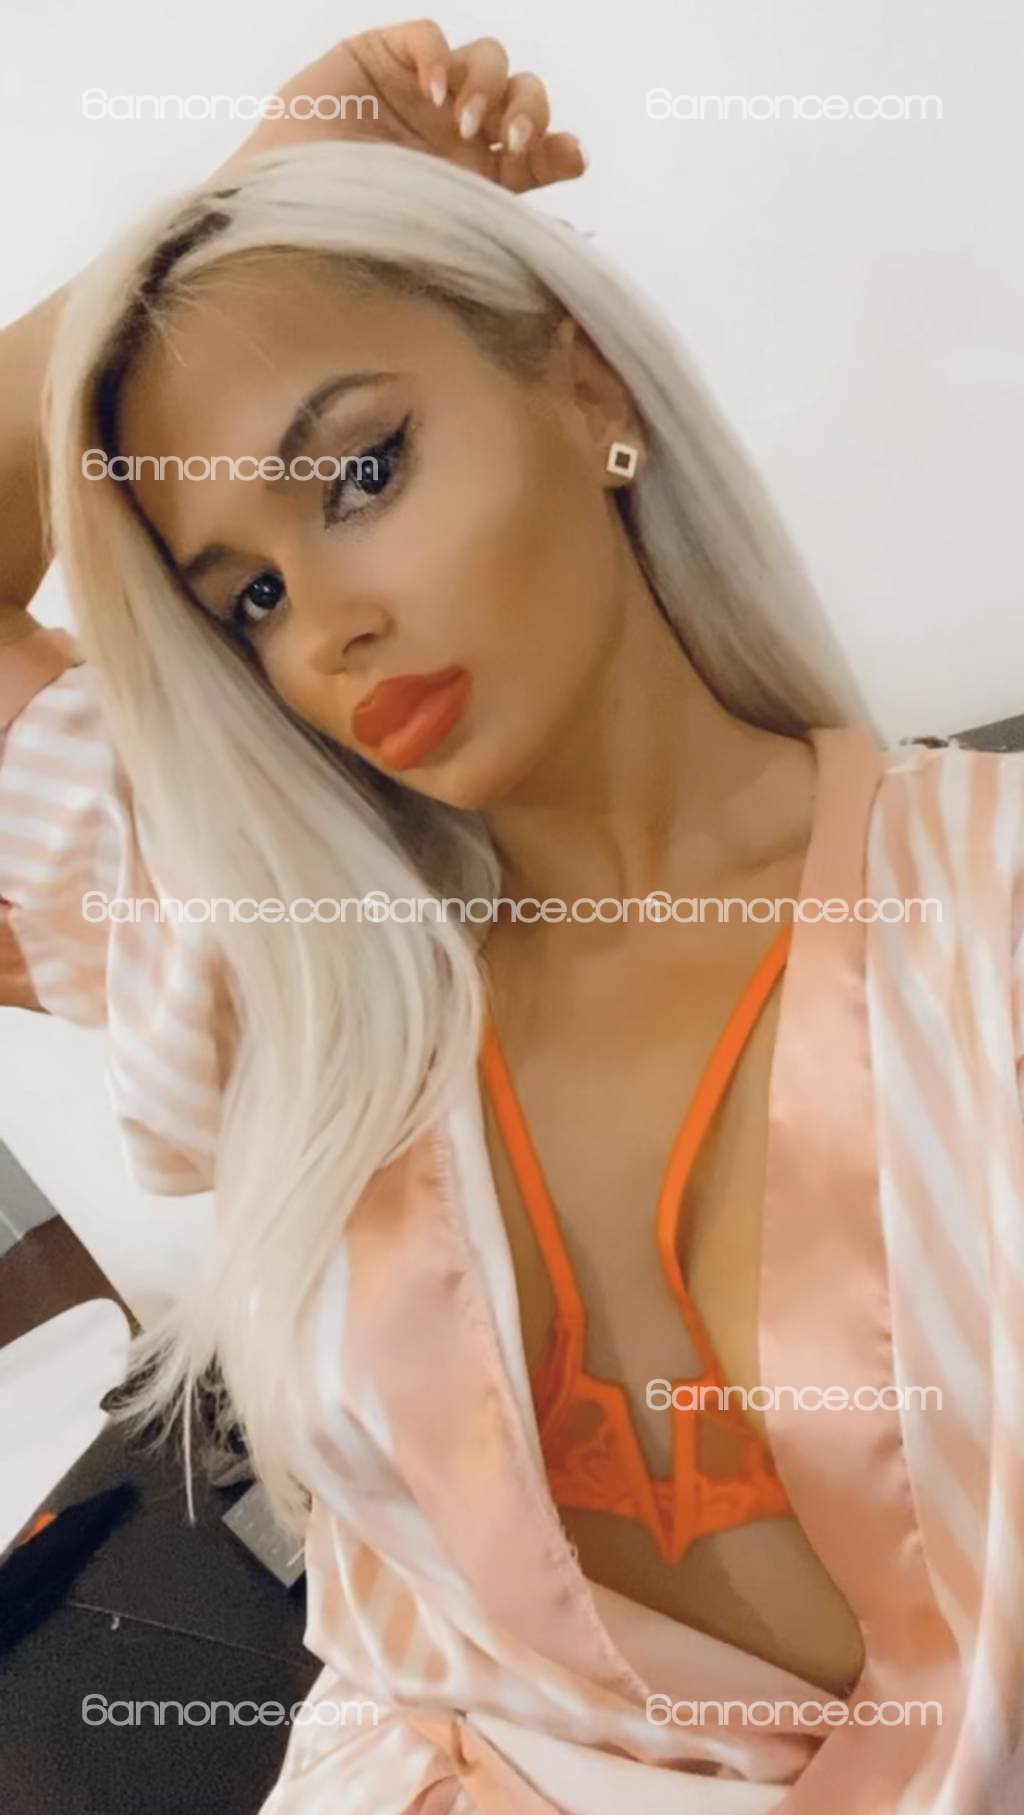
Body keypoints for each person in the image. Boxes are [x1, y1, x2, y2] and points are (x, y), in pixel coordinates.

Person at [2, 20, 1023, 1813]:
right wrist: (246, 193)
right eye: (246, 599)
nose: (326, 624)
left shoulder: (985, 914)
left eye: (360, 473)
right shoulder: (296, 958)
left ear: (589, 389)